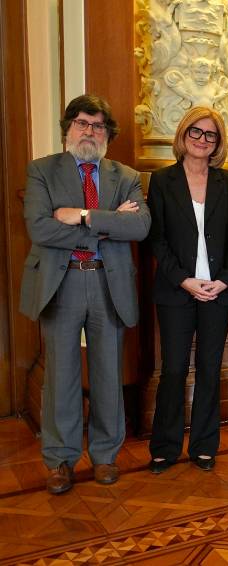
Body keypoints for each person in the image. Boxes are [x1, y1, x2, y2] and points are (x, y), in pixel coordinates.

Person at [20, 94, 151, 494]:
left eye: (98, 126)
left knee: (108, 372)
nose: (89, 132)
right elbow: (40, 228)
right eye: (82, 123)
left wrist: (81, 216)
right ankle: (60, 459)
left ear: (107, 134)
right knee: (61, 374)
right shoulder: (42, 170)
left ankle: (105, 455)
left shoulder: (125, 176)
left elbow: (139, 227)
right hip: (62, 283)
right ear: (68, 130)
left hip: (108, 283)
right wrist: (107, 227)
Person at [146, 107, 228, 474]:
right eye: (196, 132)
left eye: (210, 134)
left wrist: (226, 278)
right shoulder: (162, 180)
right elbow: (156, 240)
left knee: (209, 368)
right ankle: (165, 446)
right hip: (177, 291)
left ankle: (204, 445)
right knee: (173, 369)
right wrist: (184, 280)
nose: (203, 140)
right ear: (183, 134)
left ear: (218, 142)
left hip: (218, 291)